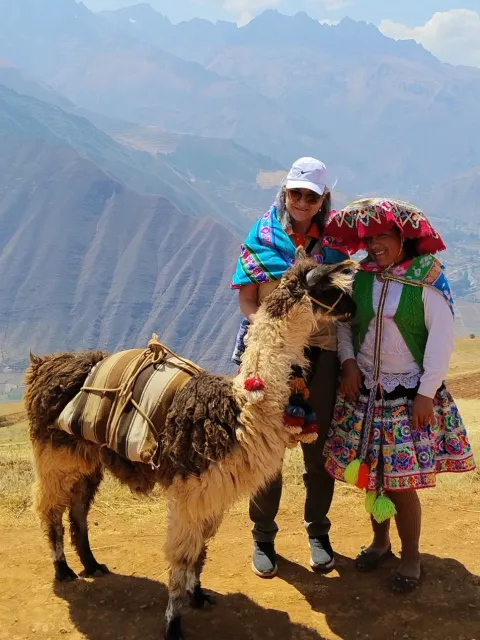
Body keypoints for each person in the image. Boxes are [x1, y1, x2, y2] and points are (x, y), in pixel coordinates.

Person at [323, 198, 476, 593]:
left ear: (402, 237)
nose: (374, 244)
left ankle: (411, 557)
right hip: (366, 391)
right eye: (369, 237)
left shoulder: (426, 280)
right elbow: (344, 324)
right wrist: (349, 364)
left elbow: (441, 340)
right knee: (373, 476)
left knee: (401, 482)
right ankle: (380, 542)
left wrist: (426, 393)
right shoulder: (360, 277)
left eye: (383, 236)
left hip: (407, 394)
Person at [230, 157, 349, 577]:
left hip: (323, 353)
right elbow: (247, 298)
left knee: (319, 449)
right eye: (295, 193)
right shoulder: (263, 236)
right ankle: (263, 536)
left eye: (310, 196)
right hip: (274, 356)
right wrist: (267, 325)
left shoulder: (334, 246)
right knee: (267, 449)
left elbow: (343, 308)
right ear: (286, 192)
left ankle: (318, 531)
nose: (301, 201)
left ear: (322, 200)